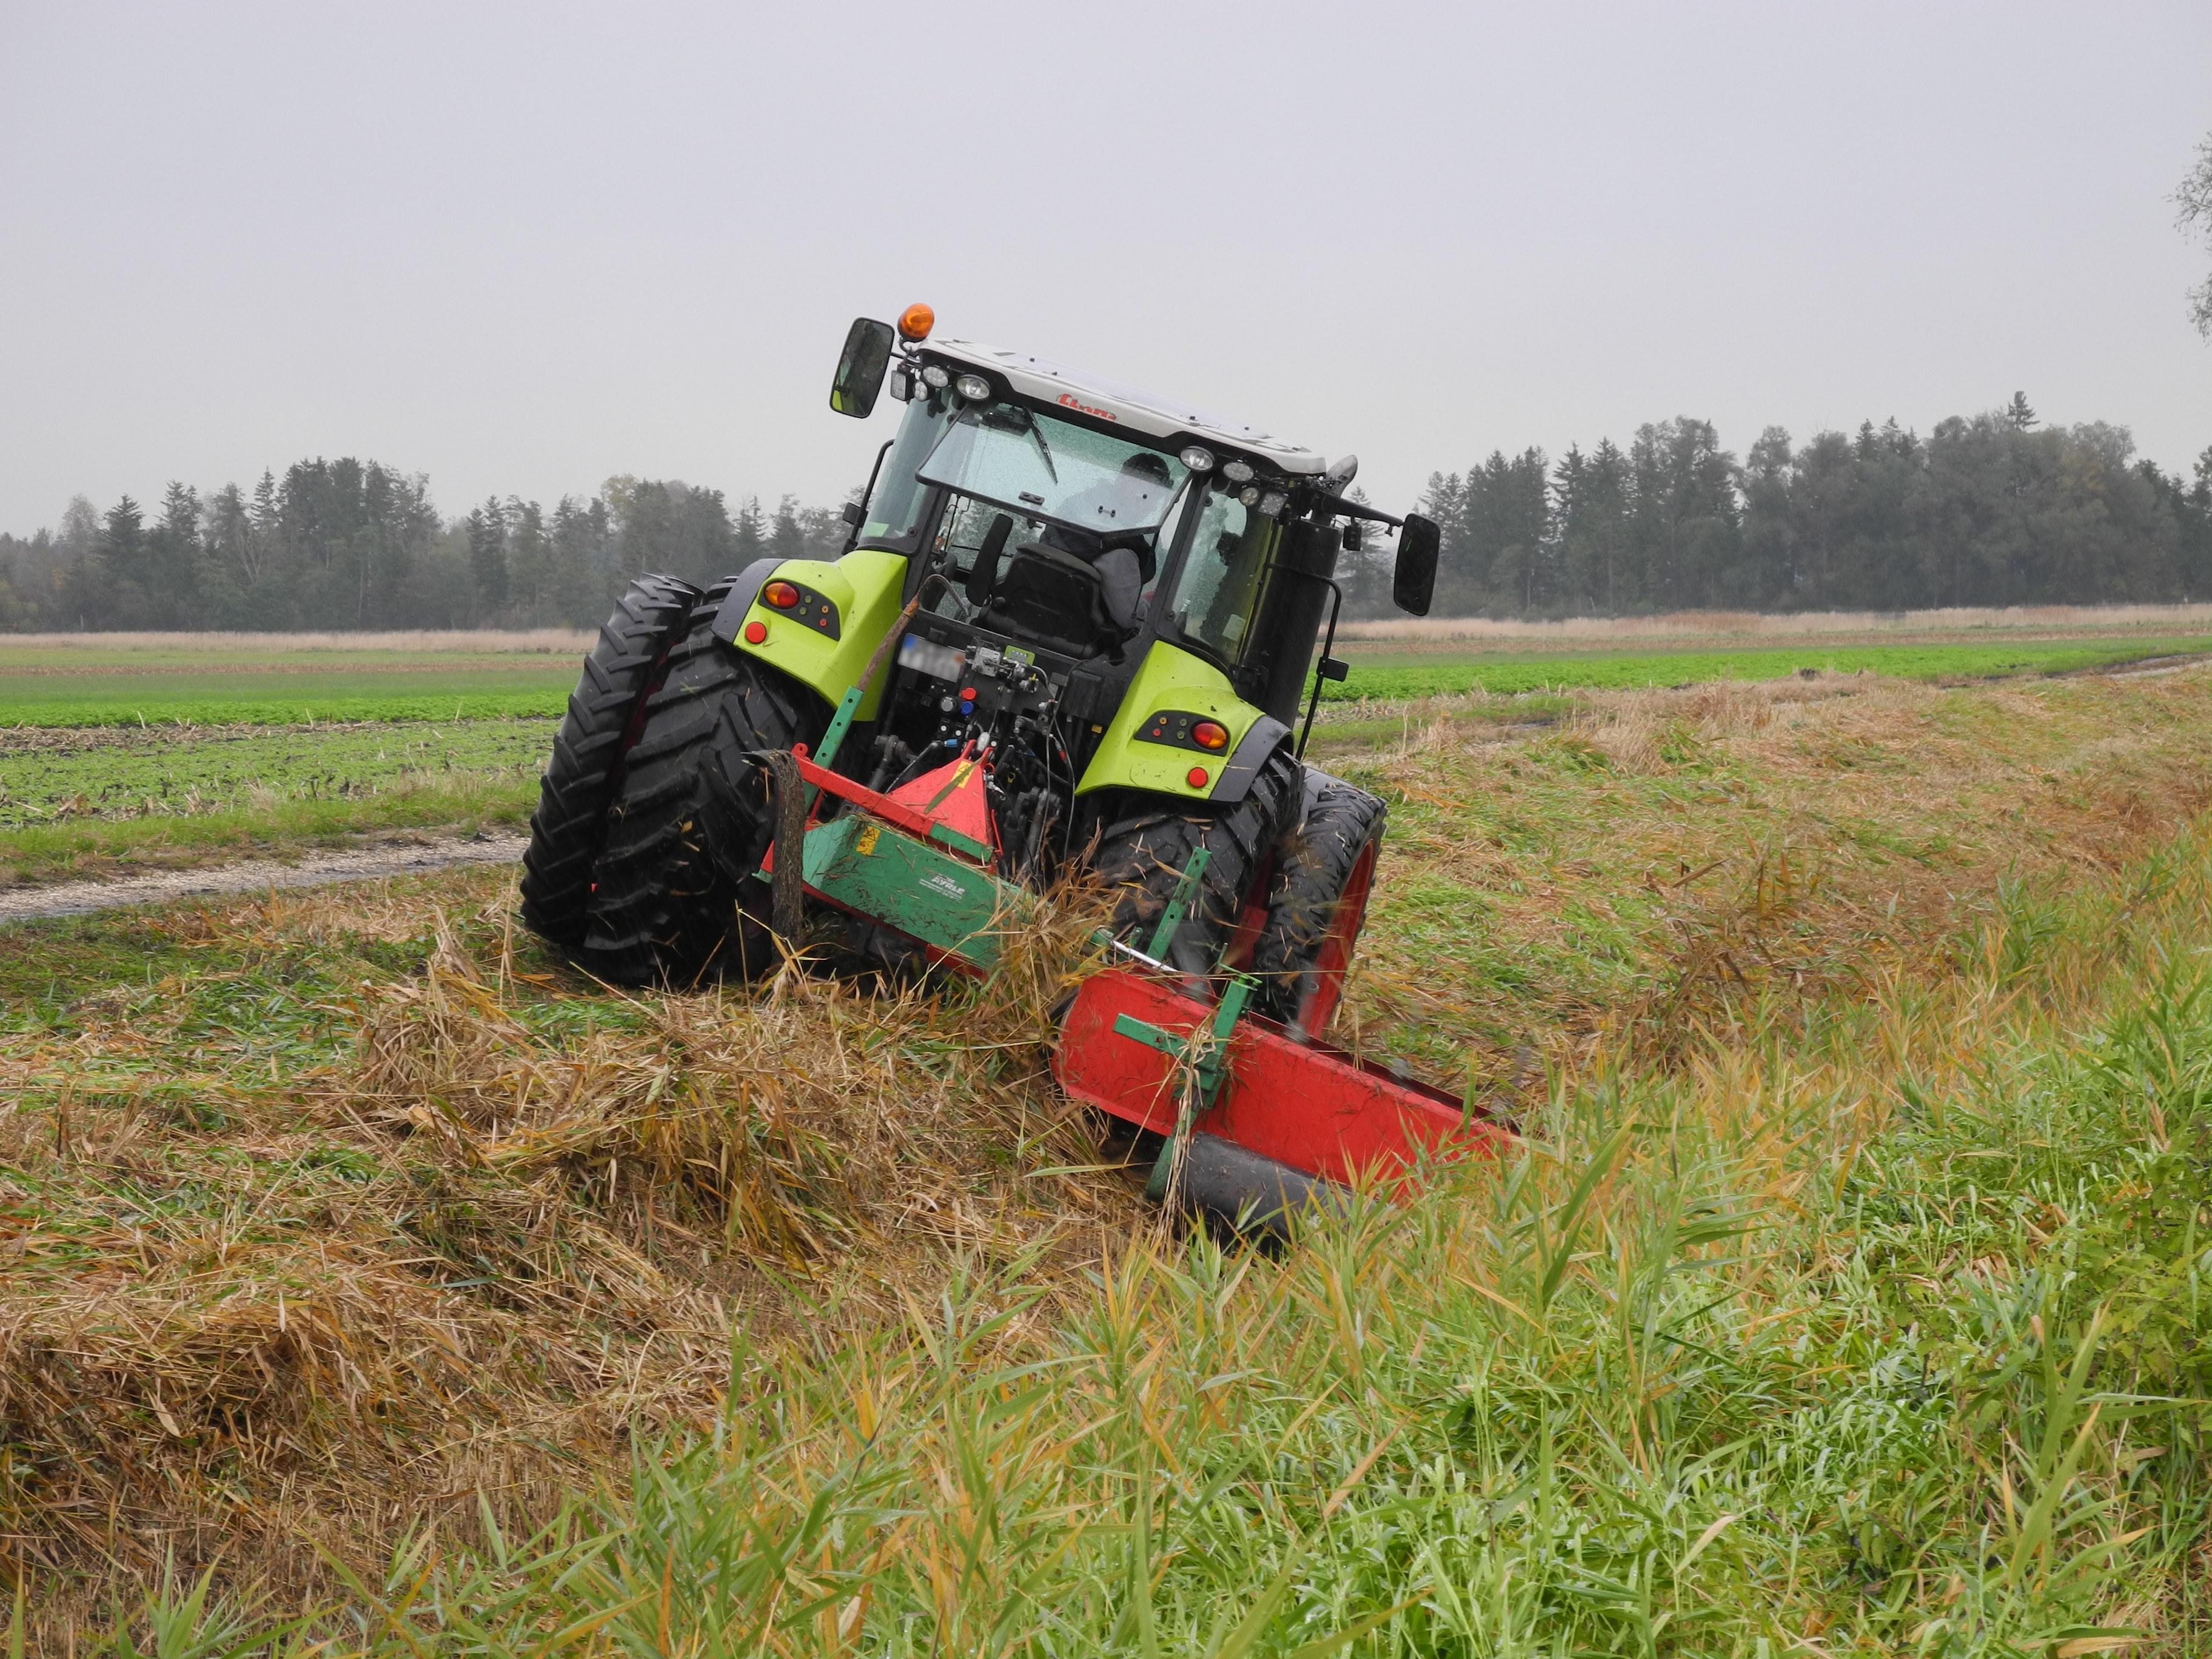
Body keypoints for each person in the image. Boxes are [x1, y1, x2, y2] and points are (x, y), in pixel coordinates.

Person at [1039, 451, 1173, 634]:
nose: (1152, 506)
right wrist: (1150, 604)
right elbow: (1128, 617)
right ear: (1128, 483)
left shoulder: (1071, 509)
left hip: (1028, 614)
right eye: (1152, 497)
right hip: (1072, 639)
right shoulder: (1121, 548)